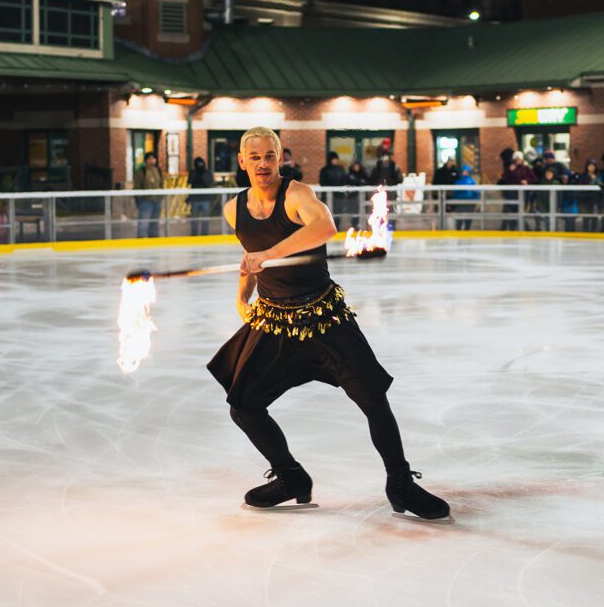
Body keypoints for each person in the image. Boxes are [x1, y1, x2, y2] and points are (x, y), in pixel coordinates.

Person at [207, 126, 449, 520]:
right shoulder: (234, 208)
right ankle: (291, 477)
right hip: (274, 323)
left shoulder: (298, 194)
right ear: (242, 162)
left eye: (270, 156)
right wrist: (241, 295)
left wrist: (269, 252)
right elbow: (250, 258)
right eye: (255, 157)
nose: (263, 164)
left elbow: (324, 228)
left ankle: (401, 483)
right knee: (243, 406)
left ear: (280, 157)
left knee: (373, 399)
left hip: (323, 317)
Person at [133, 151, 163, 238]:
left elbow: (161, 184)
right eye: (150, 158)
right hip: (145, 202)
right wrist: (139, 200)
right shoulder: (141, 171)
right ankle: (141, 239)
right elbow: (137, 186)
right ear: (146, 160)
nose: (152, 160)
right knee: (143, 222)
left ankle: (153, 238)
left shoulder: (158, 170)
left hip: (157, 201)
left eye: (153, 158)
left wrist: (161, 197)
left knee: (155, 222)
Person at [187, 156, 214, 236]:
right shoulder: (193, 172)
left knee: (205, 219)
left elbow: (209, 183)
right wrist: (196, 174)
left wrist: (202, 175)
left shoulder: (207, 172)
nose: (200, 165)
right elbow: (190, 181)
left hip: (205, 199)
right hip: (195, 199)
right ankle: (194, 234)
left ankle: (204, 234)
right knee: (194, 219)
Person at [450, 165, 479, 230]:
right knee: (458, 222)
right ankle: (459, 237)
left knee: (468, 222)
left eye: (466, 172)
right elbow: (454, 193)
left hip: (469, 204)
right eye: (464, 171)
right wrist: (454, 202)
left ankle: (467, 237)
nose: (465, 173)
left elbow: (476, 192)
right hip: (459, 204)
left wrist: (474, 202)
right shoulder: (458, 182)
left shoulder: (472, 182)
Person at [578, 159, 601, 232]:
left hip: (595, 200)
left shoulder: (598, 176)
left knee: (594, 216)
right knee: (586, 216)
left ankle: (594, 230)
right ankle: (585, 230)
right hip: (586, 200)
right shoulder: (583, 176)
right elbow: (581, 188)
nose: (591, 167)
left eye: (593, 166)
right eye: (590, 166)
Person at [346, 159, 369, 229]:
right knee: (354, 211)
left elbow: (366, 181)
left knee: (364, 210)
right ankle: (355, 225)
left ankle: (365, 225)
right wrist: (359, 181)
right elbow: (350, 182)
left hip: (363, 196)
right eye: (355, 166)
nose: (357, 167)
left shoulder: (363, 173)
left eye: (358, 166)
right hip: (353, 197)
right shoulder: (350, 174)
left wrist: (359, 181)